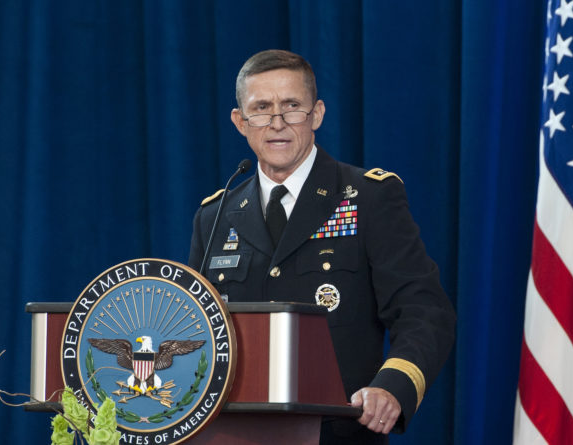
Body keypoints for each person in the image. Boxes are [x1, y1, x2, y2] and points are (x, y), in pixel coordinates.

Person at [188, 49, 455, 444]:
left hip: (339, 434)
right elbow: (197, 330)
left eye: (292, 106)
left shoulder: (369, 197)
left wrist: (393, 387)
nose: (277, 123)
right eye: (261, 109)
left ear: (317, 114)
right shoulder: (215, 216)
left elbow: (423, 310)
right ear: (241, 122)